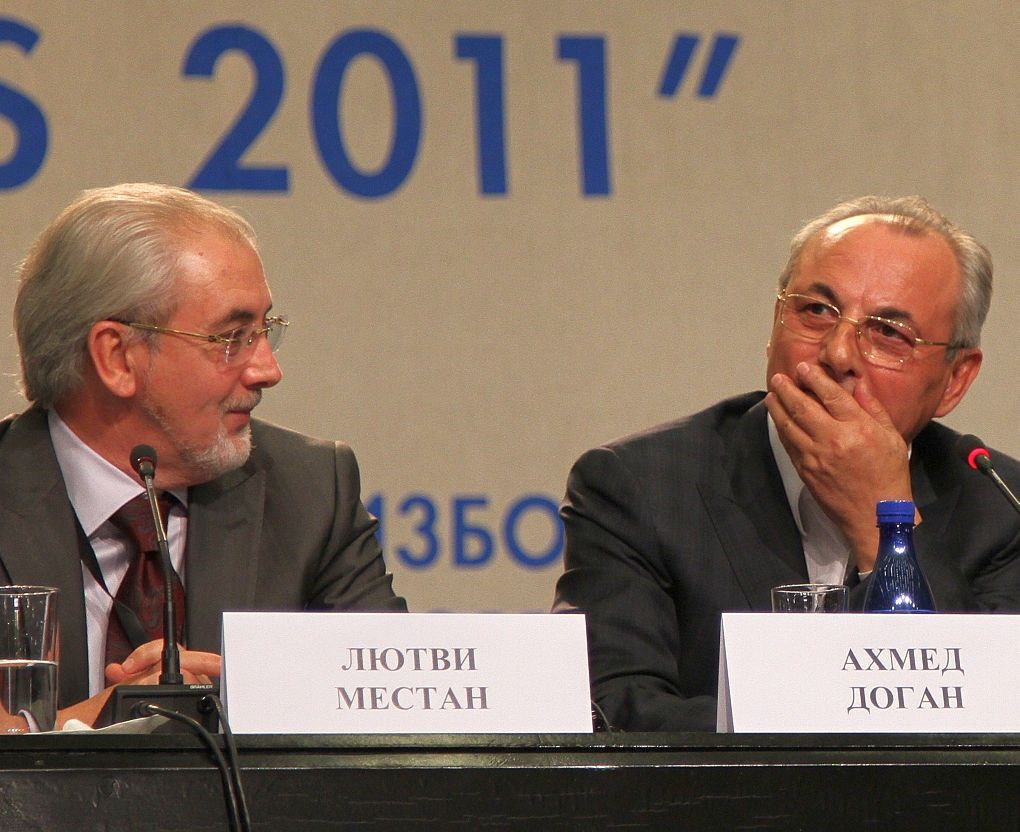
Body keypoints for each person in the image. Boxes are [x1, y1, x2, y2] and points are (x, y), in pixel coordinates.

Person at [553, 195, 1020, 732]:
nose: (838, 354)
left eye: (889, 333)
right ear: (776, 322)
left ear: (955, 379)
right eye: (816, 311)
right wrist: (822, 725)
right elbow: (612, 715)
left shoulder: (1001, 510)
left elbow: (990, 722)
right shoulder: (638, 488)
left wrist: (884, 525)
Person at [0, 183, 406, 728]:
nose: (267, 370)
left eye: (265, 331)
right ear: (116, 356)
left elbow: (391, 713)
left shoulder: (309, 493)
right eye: (231, 337)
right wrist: (84, 728)